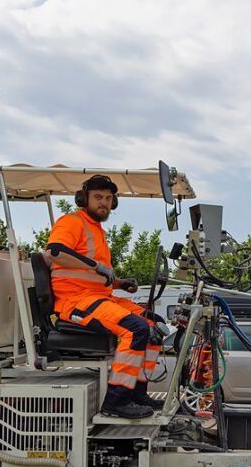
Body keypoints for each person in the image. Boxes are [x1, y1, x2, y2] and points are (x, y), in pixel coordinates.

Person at [45, 175, 164, 419]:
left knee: (154, 324)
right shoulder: (72, 222)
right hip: (75, 302)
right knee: (136, 329)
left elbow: (91, 272)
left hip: (98, 298)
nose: (104, 203)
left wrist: (119, 283)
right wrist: (95, 266)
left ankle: (137, 393)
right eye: (98, 197)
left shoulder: (95, 229)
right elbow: (55, 252)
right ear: (83, 198)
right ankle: (116, 402)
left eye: (109, 199)